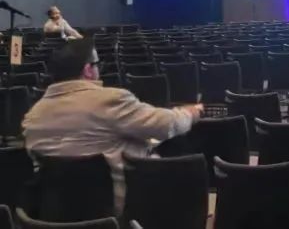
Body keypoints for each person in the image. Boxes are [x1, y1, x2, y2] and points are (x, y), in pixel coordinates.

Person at [22, 39, 202, 213]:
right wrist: (190, 113)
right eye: (97, 64)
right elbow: (166, 125)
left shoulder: (33, 117)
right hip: (119, 207)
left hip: (56, 212)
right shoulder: (110, 100)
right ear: (88, 70)